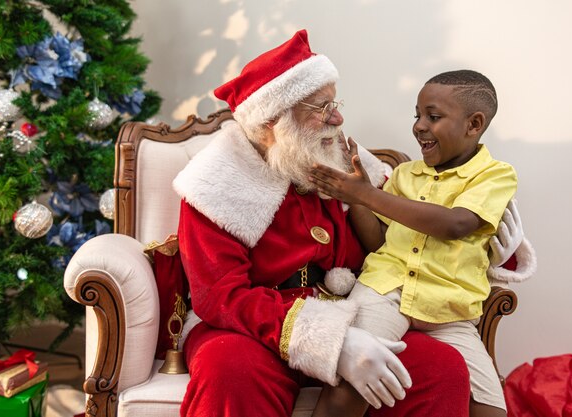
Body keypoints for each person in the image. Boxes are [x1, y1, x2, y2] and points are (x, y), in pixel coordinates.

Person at [173, 31, 534, 417]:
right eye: (322, 106)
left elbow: (413, 235)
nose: (339, 118)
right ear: (272, 121)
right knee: (230, 368)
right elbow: (219, 297)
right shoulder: (214, 185)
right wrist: (331, 342)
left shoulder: (349, 164)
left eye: (336, 102)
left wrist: (498, 253)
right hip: (250, 330)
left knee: (441, 369)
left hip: (358, 314)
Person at [309, 70, 523, 417]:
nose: (420, 125)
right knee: (354, 376)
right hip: (385, 291)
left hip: (449, 308)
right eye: (417, 115)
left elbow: (455, 224)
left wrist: (367, 194)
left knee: (490, 407)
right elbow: (378, 240)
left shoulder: (496, 175)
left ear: (474, 124)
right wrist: (357, 198)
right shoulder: (406, 176)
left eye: (433, 116)